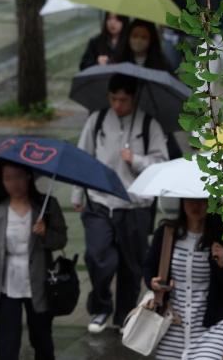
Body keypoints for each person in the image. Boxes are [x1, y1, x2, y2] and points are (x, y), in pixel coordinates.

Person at [71, 73, 169, 334]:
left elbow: (161, 163)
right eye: (113, 98)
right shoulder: (98, 120)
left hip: (134, 206)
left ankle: (124, 315)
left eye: (123, 100)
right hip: (99, 201)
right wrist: (77, 194)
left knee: (132, 264)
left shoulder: (149, 125)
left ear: (134, 97)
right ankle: (101, 306)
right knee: (98, 255)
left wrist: (135, 159)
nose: (117, 105)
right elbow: (83, 158)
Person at [0, 159, 68, 360]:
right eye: (8, 178)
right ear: (1, 181)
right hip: (7, 283)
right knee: (8, 340)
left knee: (41, 337)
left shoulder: (46, 206)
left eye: (19, 177)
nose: (14, 183)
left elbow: (61, 239)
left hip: (39, 283)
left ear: (29, 177)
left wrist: (45, 234)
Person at [143, 198, 223, 360]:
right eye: (191, 200)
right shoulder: (166, 234)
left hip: (210, 330)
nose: (196, 205)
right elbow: (148, 266)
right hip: (171, 326)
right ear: (182, 201)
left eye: (202, 200)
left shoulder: (221, 240)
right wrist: (153, 282)